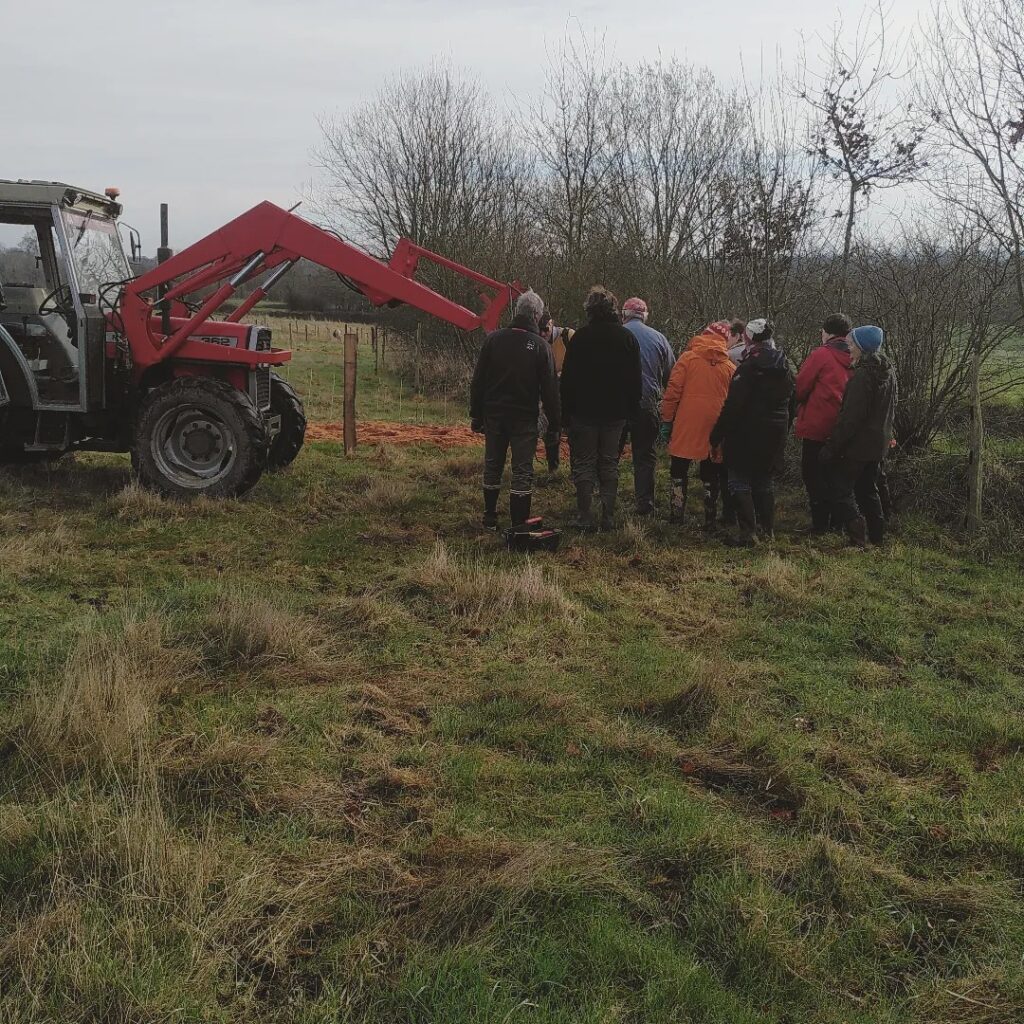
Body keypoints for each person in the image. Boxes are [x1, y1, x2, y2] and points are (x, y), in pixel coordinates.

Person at [470, 289, 560, 531]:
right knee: (522, 470)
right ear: (537, 315)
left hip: (494, 414)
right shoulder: (542, 347)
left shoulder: (493, 340)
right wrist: (555, 423)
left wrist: (476, 415)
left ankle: (489, 517)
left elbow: (478, 381)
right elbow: (550, 390)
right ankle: (519, 523)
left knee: (493, 464)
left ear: (517, 312)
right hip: (525, 417)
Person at [560, 286, 642, 531]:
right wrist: (632, 413)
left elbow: (568, 380)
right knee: (609, 462)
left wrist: (566, 414)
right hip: (616, 413)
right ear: (614, 310)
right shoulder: (627, 338)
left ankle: (584, 516)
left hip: (584, 412)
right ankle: (607, 517)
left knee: (584, 462)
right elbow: (634, 381)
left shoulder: (580, 338)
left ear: (589, 311)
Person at [709, 319, 796, 546]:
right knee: (764, 481)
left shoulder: (747, 368)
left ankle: (748, 533)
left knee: (738, 480)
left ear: (747, 338)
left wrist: (717, 435)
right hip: (775, 431)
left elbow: (733, 406)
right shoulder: (785, 366)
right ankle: (767, 531)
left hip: (746, 432)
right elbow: (793, 402)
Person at [820, 325, 897, 548]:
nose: (848, 349)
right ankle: (877, 536)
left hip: (858, 446)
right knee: (867, 489)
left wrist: (832, 447)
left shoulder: (862, 376)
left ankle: (858, 535)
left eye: (852, 345)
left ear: (863, 348)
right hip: (877, 444)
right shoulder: (888, 372)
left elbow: (850, 418)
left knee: (840, 488)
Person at [659, 320, 735, 528]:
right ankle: (710, 517)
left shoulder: (688, 359)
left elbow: (673, 391)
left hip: (686, 422)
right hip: (715, 424)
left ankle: (676, 515)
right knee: (711, 472)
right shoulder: (729, 367)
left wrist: (667, 420)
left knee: (679, 469)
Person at [794, 313, 855, 533]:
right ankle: (838, 524)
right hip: (845, 427)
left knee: (813, 475)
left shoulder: (822, 355)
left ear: (826, 332)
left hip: (818, 424)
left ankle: (820, 524)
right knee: (837, 477)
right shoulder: (858, 356)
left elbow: (801, 385)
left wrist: (798, 407)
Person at [621, 297, 675, 515]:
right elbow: (672, 375)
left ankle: (604, 501)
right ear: (644, 316)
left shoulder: (617, 335)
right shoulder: (659, 338)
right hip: (646, 404)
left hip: (617, 405)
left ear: (623, 314)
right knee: (644, 456)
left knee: (609, 455)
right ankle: (645, 504)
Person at [537, 311, 574, 472]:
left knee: (573, 430)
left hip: (569, 391)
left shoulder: (568, 336)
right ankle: (553, 468)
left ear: (552, 324)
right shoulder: (537, 342)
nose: (542, 333)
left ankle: (576, 469)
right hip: (549, 392)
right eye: (539, 330)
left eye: (545, 329)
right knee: (551, 429)